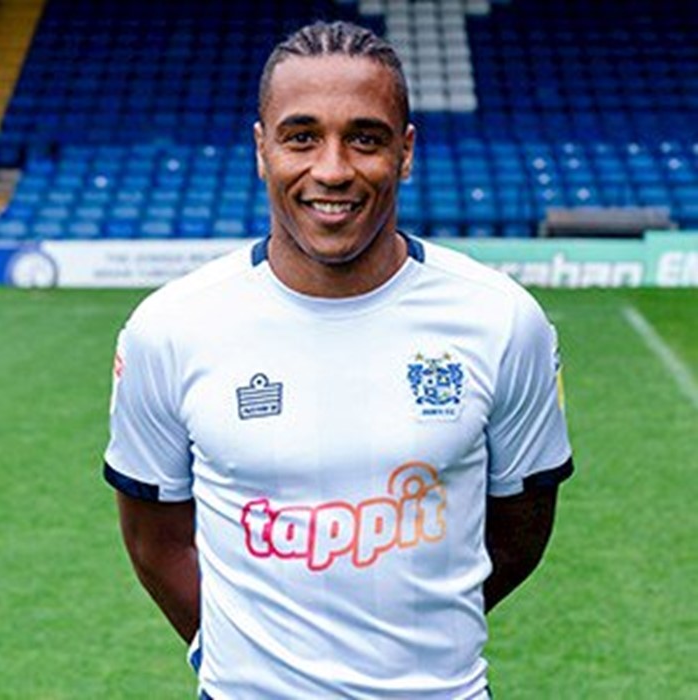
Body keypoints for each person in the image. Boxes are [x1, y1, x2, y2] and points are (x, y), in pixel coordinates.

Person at [104, 20, 574, 700]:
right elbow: (157, 541)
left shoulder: (501, 320)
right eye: (301, 137)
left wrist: (414, 642)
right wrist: (243, 661)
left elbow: (519, 532)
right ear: (261, 149)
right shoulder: (170, 328)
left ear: (405, 152)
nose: (332, 170)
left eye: (365, 138)